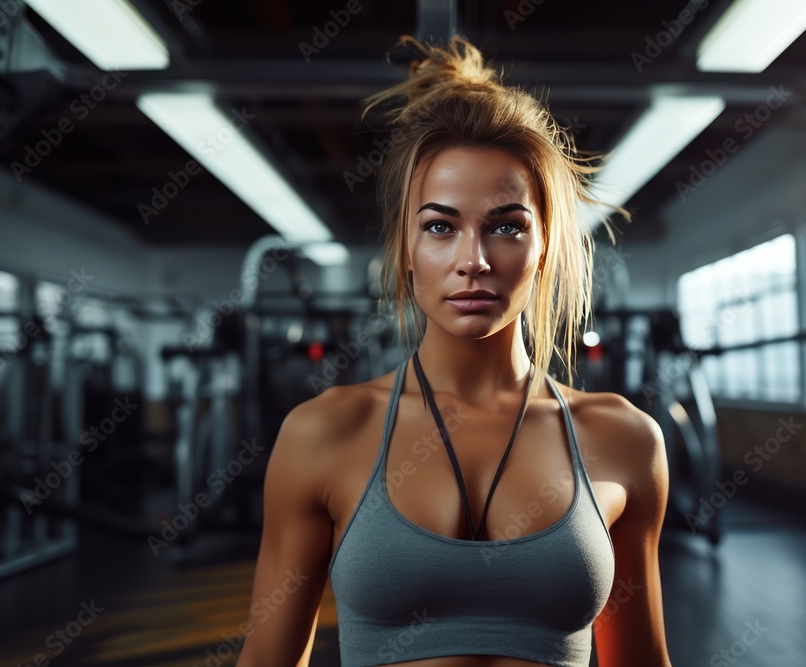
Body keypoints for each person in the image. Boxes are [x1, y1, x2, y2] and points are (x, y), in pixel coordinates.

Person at [235, 35, 673, 667]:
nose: (475, 260)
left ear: (545, 246)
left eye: (507, 226)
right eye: (440, 226)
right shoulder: (323, 434)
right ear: (405, 251)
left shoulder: (626, 440)